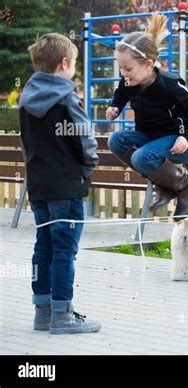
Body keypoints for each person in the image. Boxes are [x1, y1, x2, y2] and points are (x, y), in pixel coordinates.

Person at [19, 33, 101, 334]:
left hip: (38, 185)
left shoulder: (26, 98)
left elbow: (26, 143)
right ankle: (63, 315)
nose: (74, 70)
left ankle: (42, 313)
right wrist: (89, 167)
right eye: (74, 64)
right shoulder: (66, 95)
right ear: (64, 62)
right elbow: (85, 139)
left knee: (44, 247)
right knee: (65, 250)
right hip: (66, 185)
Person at [106, 14, 188, 220]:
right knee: (115, 141)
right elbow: (121, 93)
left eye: (128, 68)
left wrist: (185, 136)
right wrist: (115, 107)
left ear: (148, 64)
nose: (123, 73)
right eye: (121, 68)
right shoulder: (129, 82)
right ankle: (166, 184)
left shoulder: (169, 85)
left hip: (182, 142)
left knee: (141, 157)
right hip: (153, 139)